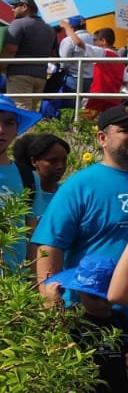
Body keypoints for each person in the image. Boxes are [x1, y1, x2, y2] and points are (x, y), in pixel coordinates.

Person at [35, 105, 128, 312]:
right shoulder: (79, 186)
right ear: (102, 138)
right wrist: (51, 302)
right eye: (126, 129)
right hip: (91, 318)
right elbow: (50, 245)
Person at [45, 256, 128, 393]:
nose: (103, 304)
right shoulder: (72, 319)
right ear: (78, 291)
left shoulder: (119, 318)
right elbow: (55, 346)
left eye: (108, 297)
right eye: (94, 297)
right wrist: (55, 305)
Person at [0, 94, 40, 269]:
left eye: (9, 123)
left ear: (17, 129)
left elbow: (32, 234)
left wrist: (33, 286)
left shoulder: (28, 176)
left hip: (14, 288)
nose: (1, 129)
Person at [0, 0, 58, 107]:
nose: (12, 9)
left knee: (20, 110)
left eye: (15, 6)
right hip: (41, 76)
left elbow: (10, 50)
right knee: (32, 112)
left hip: (19, 75)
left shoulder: (18, 23)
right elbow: (53, 54)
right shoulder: (50, 29)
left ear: (25, 7)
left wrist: (1, 67)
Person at [12, 131, 70, 237]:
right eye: (53, 161)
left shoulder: (68, 194)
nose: (60, 166)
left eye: (64, 160)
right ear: (34, 161)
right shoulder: (23, 194)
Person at [83, 29, 126, 116]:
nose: (94, 43)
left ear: (103, 41)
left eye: (95, 40)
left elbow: (79, 44)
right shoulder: (120, 59)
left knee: (85, 118)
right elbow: (125, 80)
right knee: (110, 121)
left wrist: (67, 28)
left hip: (98, 93)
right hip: (114, 96)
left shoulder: (102, 52)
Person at [56, 15, 98, 95]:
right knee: (81, 106)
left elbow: (64, 63)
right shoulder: (94, 39)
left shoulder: (68, 40)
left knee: (69, 106)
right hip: (90, 78)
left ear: (70, 26)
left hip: (73, 77)